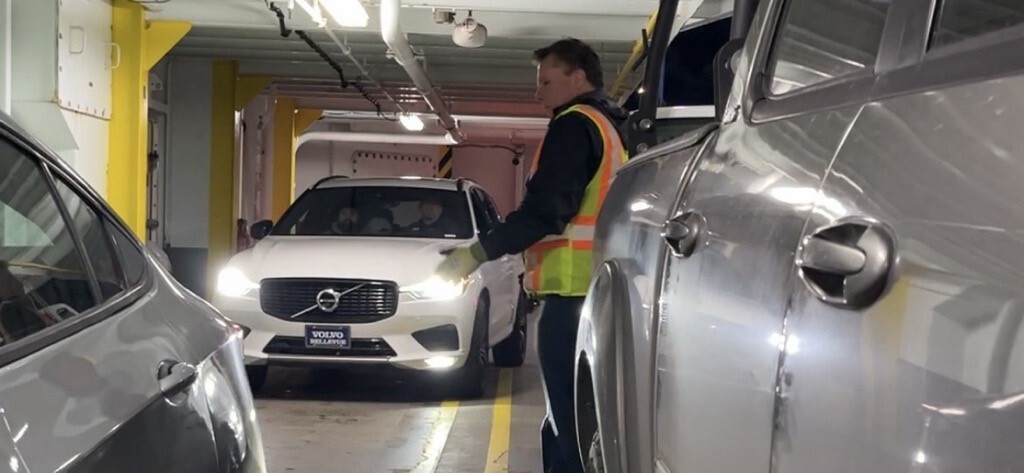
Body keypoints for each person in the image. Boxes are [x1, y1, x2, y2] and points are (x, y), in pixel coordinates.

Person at [435, 38, 628, 472]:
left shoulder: (575, 126)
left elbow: (545, 212)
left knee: (567, 423)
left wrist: (475, 254)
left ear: (578, 78)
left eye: (546, 81)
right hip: (597, 293)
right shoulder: (611, 126)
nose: (537, 92)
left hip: (571, 297)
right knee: (568, 420)